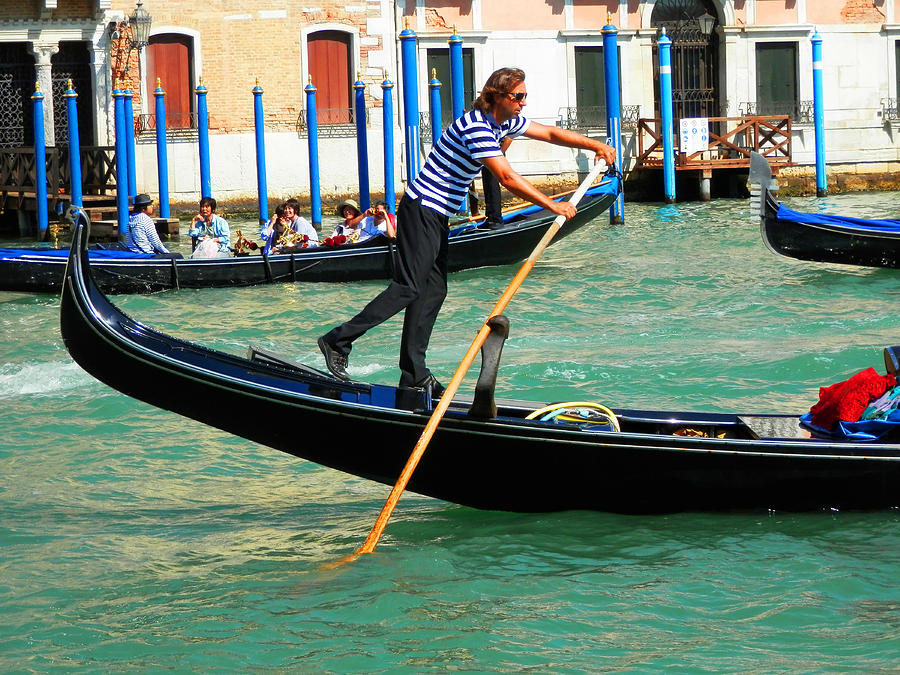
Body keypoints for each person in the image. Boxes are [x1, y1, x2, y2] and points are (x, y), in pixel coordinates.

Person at [317, 67, 615, 394]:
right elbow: (506, 177)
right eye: (518, 97)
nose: (522, 104)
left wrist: (594, 145)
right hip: (421, 209)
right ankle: (337, 341)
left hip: (436, 214)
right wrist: (552, 205)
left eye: (524, 97)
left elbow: (550, 134)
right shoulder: (475, 127)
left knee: (434, 291)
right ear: (497, 96)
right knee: (409, 288)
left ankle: (414, 374)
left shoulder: (502, 122)